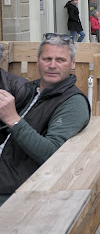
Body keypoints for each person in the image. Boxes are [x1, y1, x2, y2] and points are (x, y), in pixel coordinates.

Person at [0, 34, 90, 206]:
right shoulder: (28, 89)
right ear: (38, 62)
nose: (52, 65)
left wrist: (13, 120)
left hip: (19, 189)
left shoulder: (73, 102)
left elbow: (53, 155)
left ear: (72, 64)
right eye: (47, 58)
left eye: (60, 60)